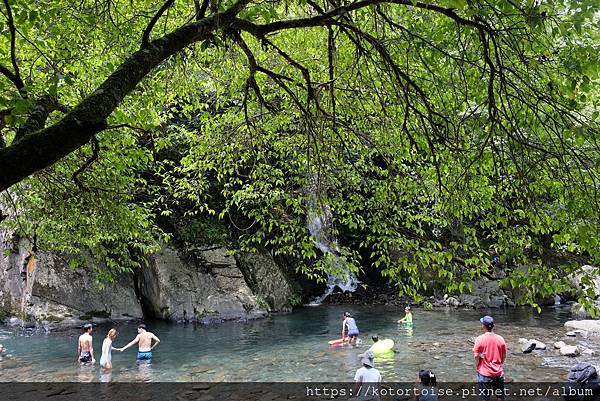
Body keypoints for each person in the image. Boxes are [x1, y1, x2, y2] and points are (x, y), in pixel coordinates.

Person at [473, 316, 507, 401]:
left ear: (483, 326)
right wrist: (500, 365)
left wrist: (477, 367)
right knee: (500, 397)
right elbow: (504, 355)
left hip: (484, 374)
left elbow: (476, 356)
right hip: (498, 373)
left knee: (484, 398)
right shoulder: (501, 339)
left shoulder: (479, 339)